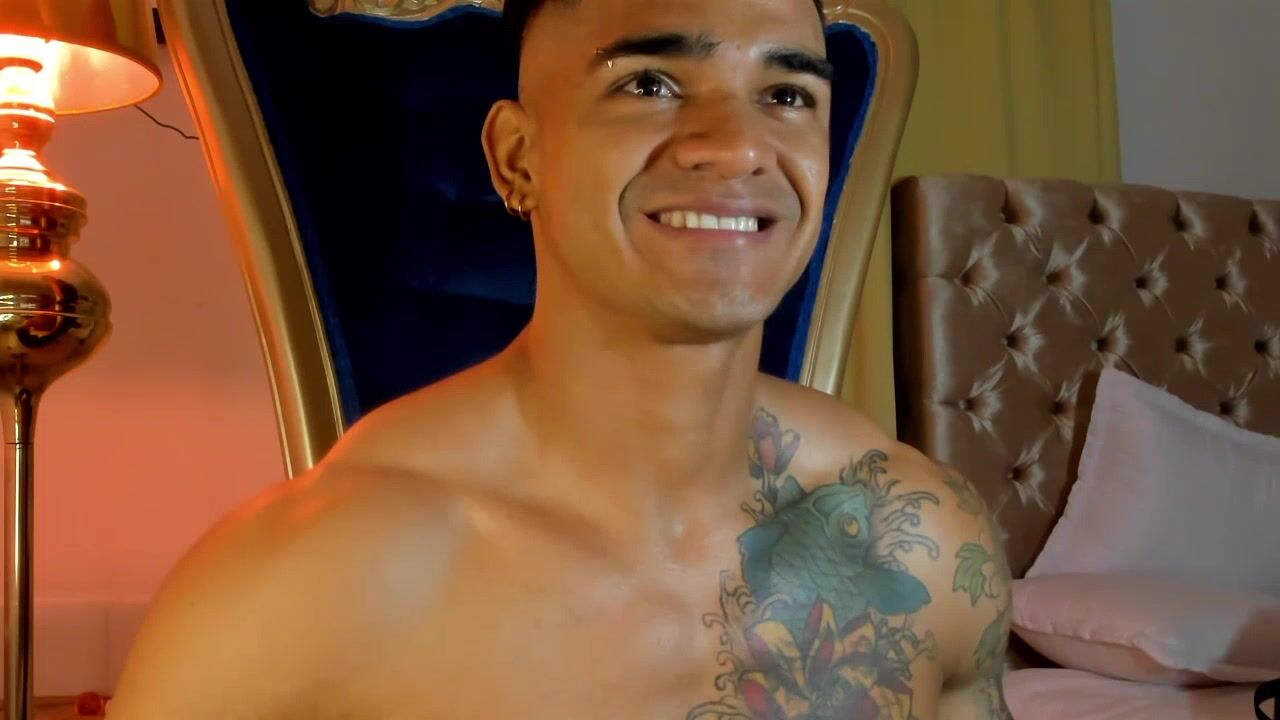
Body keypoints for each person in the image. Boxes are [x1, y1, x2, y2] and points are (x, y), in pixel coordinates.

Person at [110, 0, 1012, 717]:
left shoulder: (926, 541)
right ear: (517, 158)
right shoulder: (304, 586)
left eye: (785, 95)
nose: (739, 145)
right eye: (651, 83)